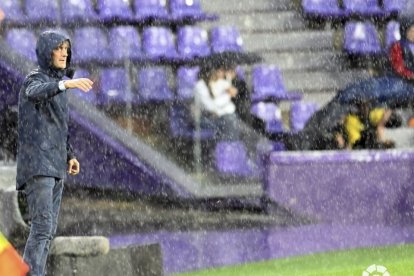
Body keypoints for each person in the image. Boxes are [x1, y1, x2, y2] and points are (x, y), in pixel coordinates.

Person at [16, 30, 93, 276]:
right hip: (38, 164)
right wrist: (65, 83)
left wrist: (69, 154)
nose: (64, 53)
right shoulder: (35, 79)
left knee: (48, 230)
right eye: (59, 48)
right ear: (46, 51)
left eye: (66, 49)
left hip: (55, 164)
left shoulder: (57, 88)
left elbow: (58, 126)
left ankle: (35, 272)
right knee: (42, 227)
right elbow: (34, 92)